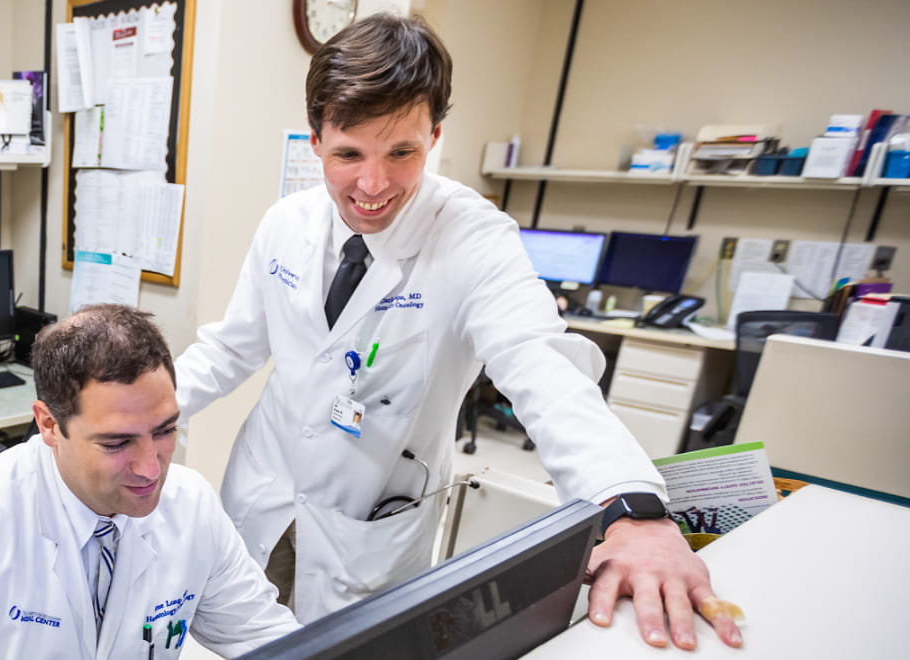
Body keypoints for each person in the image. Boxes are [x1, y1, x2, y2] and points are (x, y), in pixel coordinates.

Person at [174, 13, 742, 651]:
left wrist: (631, 510)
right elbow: (231, 347)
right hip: (265, 492)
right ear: (315, 140)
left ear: (435, 136)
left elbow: (540, 362)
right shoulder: (286, 224)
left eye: (403, 152)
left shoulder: (473, 238)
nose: (373, 184)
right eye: (348, 154)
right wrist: (137, 413)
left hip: (370, 526)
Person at [0, 305, 299, 659]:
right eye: (117, 443)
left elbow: (269, 638)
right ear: (48, 425)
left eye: (164, 431)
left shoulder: (191, 507)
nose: (151, 468)